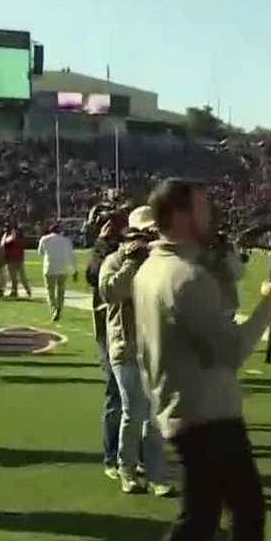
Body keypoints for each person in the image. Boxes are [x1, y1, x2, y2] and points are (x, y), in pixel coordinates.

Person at [93, 179, 271, 541]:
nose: (212, 218)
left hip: (183, 407)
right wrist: (269, 303)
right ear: (183, 217)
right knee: (244, 514)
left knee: (201, 523)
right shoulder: (185, 278)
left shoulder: (155, 267)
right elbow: (232, 350)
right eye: (204, 210)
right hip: (207, 414)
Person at [98, 207, 174, 497]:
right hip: (125, 347)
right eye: (144, 234)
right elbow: (111, 293)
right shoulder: (114, 260)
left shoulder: (162, 263)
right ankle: (126, 470)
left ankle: (156, 474)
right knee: (134, 410)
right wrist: (132, 262)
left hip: (155, 346)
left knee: (154, 416)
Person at [86, 214, 125, 481]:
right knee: (116, 393)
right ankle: (112, 455)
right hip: (110, 331)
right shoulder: (105, 256)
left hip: (139, 330)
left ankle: (138, 454)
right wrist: (101, 245)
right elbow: (93, 275)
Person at [37, 223, 77, 321]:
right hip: (62, 268)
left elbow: (40, 252)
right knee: (61, 291)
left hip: (49, 267)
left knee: (50, 291)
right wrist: (74, 270)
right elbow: (71, 256)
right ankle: (59, 308)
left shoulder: (44, 239)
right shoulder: (66, 240)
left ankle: (54, 308)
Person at [1, 225, 31, 298]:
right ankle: (27, 290)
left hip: (12, 260)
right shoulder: (21, 239)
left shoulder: (12, 238)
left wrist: (4, 235)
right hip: (19, 260)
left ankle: (14, 292)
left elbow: (3, 244)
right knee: (22, 277)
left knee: (14, 278)